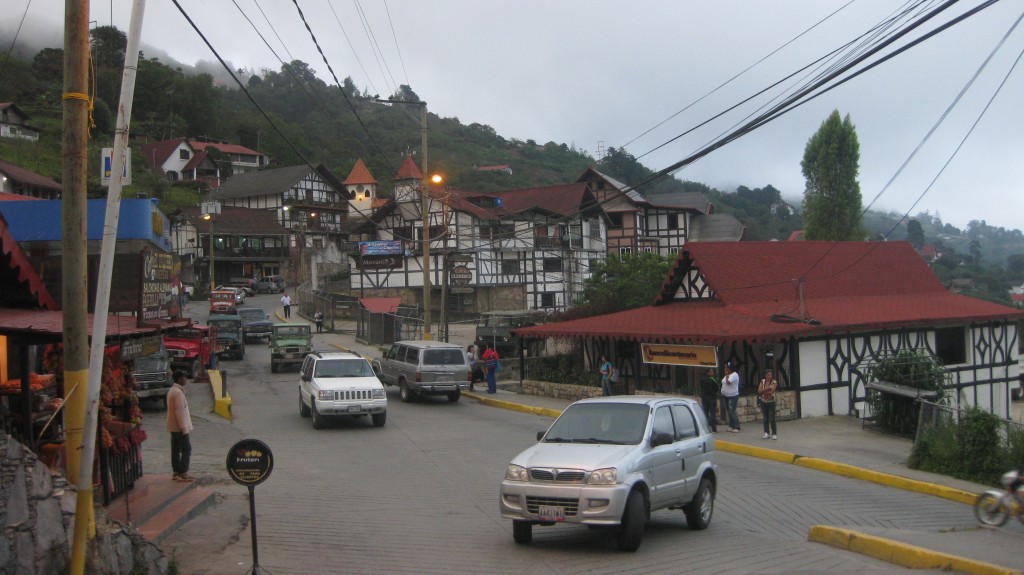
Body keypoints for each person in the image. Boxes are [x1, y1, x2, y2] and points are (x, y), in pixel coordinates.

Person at [166, 371, 194, 482]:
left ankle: (176, 471)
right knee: (186, 448)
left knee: (176, 449)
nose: (186, 379)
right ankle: (183, 472)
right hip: (179, 427)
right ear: (179, 379)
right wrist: (184, 428)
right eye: (184, 377)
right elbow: (180, 412)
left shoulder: (173, 390)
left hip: (173, 426)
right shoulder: (178, 393)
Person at [758, 369, 778, 440]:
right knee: (765, 418)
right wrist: (767, 389)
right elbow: (759, 391)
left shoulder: (774, 382)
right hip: (763, 402)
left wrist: (763, 391)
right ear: (765, 375)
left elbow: (772, 391)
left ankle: (774, 433)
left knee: (772, 417)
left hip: (771, 402)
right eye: (768, 375)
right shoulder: (762, 381)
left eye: (771, 374)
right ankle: (766, 432)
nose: (770, 376)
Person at [721, 362, 741, 433]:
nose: (725, 368)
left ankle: (736, 426)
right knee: (728, 411)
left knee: (732, 411)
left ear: (730, 368)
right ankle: (731, 425)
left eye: (726, 367)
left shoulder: (734, 375)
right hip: (725, 395)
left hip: (732, 396)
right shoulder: (727, 375)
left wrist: (726, 375)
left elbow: (728, 382)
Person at [699, 367, 720, 433]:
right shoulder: (712, 379)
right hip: (712, 398)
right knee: (712, 414)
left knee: (705, 414)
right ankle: (714, 429)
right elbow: (717, 387)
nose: (712, 373)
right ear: (707, 372)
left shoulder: (702, 379)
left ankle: (706, 429)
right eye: (711, 372)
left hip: (704, 398)